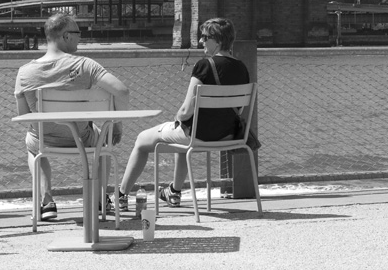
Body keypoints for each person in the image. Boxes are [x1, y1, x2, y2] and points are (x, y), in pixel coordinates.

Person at [117, 17, 249, 209]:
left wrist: (178, 118)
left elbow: (186, 111)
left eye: (205, 37)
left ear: (218, 40)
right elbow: (239, 110)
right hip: (228, 136)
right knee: (183, 132)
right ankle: (174, 193)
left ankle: (121, 196)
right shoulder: (242, 68)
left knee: (141, 140)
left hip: (198, 136)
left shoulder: (205, 65)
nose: (201, 41)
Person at [15, 12, 129, 221]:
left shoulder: (25, 72)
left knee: (31, 143)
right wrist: (117, 125)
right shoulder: (85, 65)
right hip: (82, 138)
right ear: (66, 36)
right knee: (103, 138)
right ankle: (98, 198)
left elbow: (23, 117)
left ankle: (47, 200)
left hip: (44, 140)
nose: (80, 37)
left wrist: (49, 126)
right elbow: (121, 92)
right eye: (78, 33)